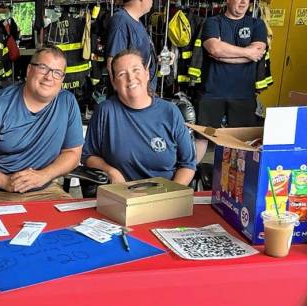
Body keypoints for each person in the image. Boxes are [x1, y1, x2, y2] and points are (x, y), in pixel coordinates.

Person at [0, 46, 83, 204]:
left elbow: (72, 153)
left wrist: (44, 176)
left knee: (72, 225)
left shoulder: (67, 103)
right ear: (29, 69)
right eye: (43, 68)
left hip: (45, 189)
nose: (49, 77)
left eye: (57, 72)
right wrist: (5, 182)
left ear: (62, 79)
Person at [83, 49, 196, 186]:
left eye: (136, 70)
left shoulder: (170, 112)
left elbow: (188, 164)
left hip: (165, 196)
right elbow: (88, 156)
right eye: (122, 74)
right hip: (121, 196)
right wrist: (111, 171)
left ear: (147, 73)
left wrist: (171, 195)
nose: (130, 78)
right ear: (114, 83)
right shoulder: (105, 111)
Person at [198, 0, 267, 127]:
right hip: (212, 92)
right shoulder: (212, 22)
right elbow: (215, 49)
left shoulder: (257, 24)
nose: (243, 2)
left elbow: (257, 52)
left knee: (241, 140)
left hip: (244, 94)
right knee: (203, 135)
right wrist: (247, 53)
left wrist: (222, 56)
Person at [105, 0, 157, 90]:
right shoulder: (120, 22)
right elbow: (113, 63)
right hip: (131, 98)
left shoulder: (135, 21)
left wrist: (157, 60)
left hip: (143, 93)